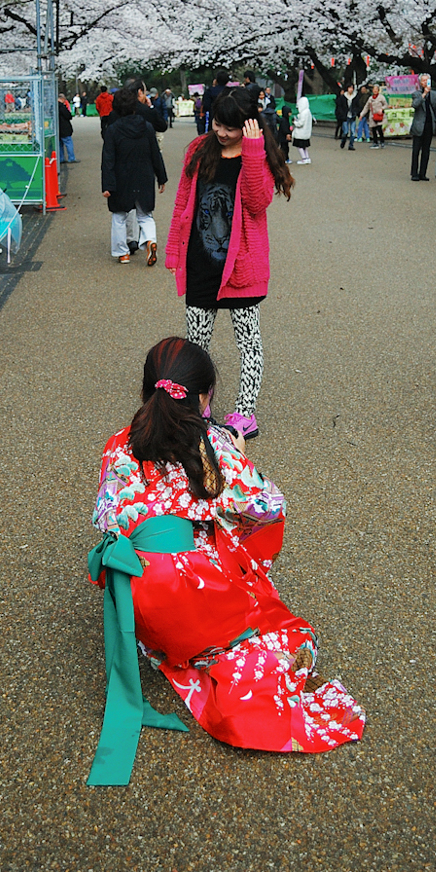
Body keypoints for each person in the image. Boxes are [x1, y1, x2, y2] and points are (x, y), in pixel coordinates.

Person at [86, 336, 365, 785]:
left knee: (176, 546)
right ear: (203, 398)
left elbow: (108, 518)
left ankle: (167, 641)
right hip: (194, 595)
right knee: (295, 638)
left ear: (146, 392)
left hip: (137, 596)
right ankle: (214, 638)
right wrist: (232, 458)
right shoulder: (212, 445)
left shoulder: (119, 445)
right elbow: (267, 507)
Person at [165, 87, 293, 440]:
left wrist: (252, 151)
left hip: (241, 267)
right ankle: (197, 405)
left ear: (248, 127)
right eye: (217, 124)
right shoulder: (199, 149)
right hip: (202, 263)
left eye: (229, 128)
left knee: (248, 343)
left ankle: (245, 413)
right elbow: (182, 204)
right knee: (196, 344)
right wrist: (175, 251)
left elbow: (257, 202)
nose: (221, 133)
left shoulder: (258, 156)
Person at [101, 86, 167, 264]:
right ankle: (150, 240)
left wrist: (107, 184)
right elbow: (155, 153)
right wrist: (161, 177)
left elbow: (108, 159)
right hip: (144, 175)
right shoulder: (146, 127)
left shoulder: (113, 130)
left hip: (121, 177)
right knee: (145, 215)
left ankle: (122, 253)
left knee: (119, 216)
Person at [410, 75, 436, 180]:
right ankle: (414, 173)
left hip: (429, 125)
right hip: (419, 125)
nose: (425, 82)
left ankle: (423, 173)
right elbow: (415, 105)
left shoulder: (435, 95)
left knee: (426, 150)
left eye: (427, 80)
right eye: (423, 80)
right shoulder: (416, 94)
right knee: (416, 150)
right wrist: (424, 94)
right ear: (420, 83)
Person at [359, 84, 388, 149]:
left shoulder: (381, 97)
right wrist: (361, 115)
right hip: (372, 116)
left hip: (379, 116)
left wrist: (382, 109)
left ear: (378, 90)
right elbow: (366, 107)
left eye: (376, 89)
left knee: (379, 129)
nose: (375, 91)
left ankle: (382, 142)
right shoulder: (370, 98)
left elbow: (386, 105)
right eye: (374, 89)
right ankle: (375, 143)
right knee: (373, 129)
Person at [291, 96, 313, 163]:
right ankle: (307, 157)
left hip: (301, 133)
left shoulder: (303, 113)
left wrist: (295, 122)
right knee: (304, 146)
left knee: (299, 146)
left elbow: (300, 123)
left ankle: (304, 158)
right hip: (306, 133)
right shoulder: (308, 112)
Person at [57, 94, 76, 162]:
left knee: (59, 144)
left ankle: (61, 158)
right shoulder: (62, 107)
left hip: (57, 128)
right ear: (62, 99)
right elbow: (68, 115)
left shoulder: (54, 107)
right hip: (64, 128)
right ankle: (71, 158)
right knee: (68, 143)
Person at [338, 84, 358, 150]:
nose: (351, 89)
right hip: (345, 116)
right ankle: (343, 141)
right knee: (345, 131)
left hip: (352, 116)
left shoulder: (355, 96)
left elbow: (357, 106)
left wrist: (356, 112)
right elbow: (340, 106)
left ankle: (351, 145)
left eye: (352, 88)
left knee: (353, 132)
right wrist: (342, 114)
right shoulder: (343, 97)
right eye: (349, 88)